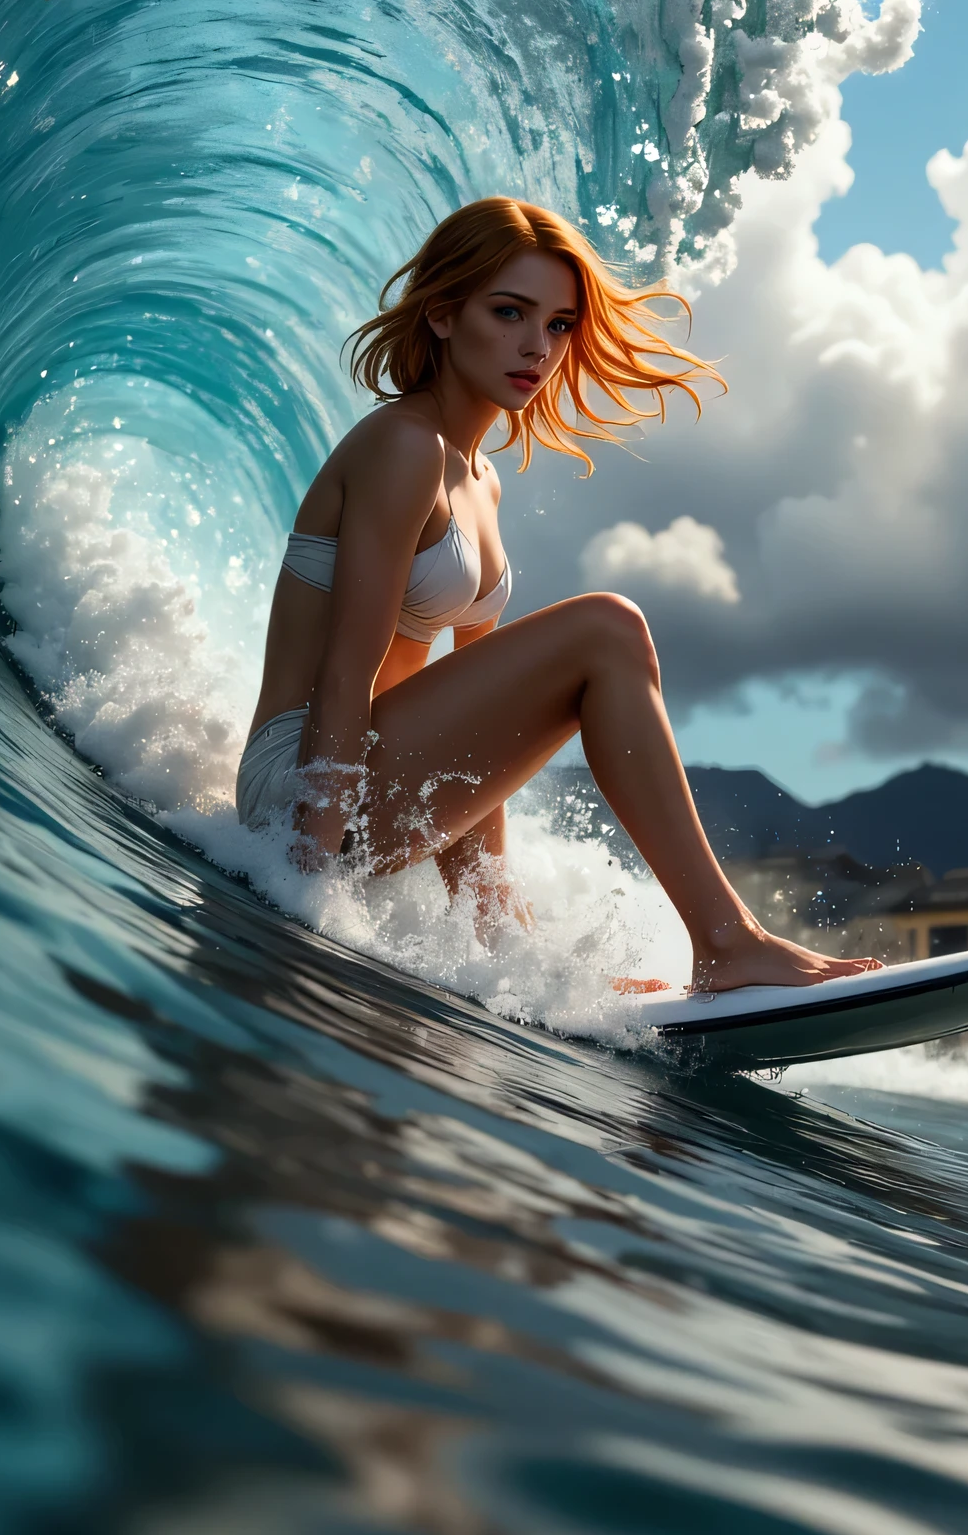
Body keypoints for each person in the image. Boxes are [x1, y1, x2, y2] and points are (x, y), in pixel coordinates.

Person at [237, 196, 882, 993]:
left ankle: (646, 944)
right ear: (442, 315)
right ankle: (729, 939)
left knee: (605, 638)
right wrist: (302, 893)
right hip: (301, 788)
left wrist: (504, 950)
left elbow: (476, 751)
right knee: (609, 629)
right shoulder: (402, 448)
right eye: (509, 313)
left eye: (558, 325)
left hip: (371, 786)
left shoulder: (482, 482)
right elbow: (344, 678)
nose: (535, 347)